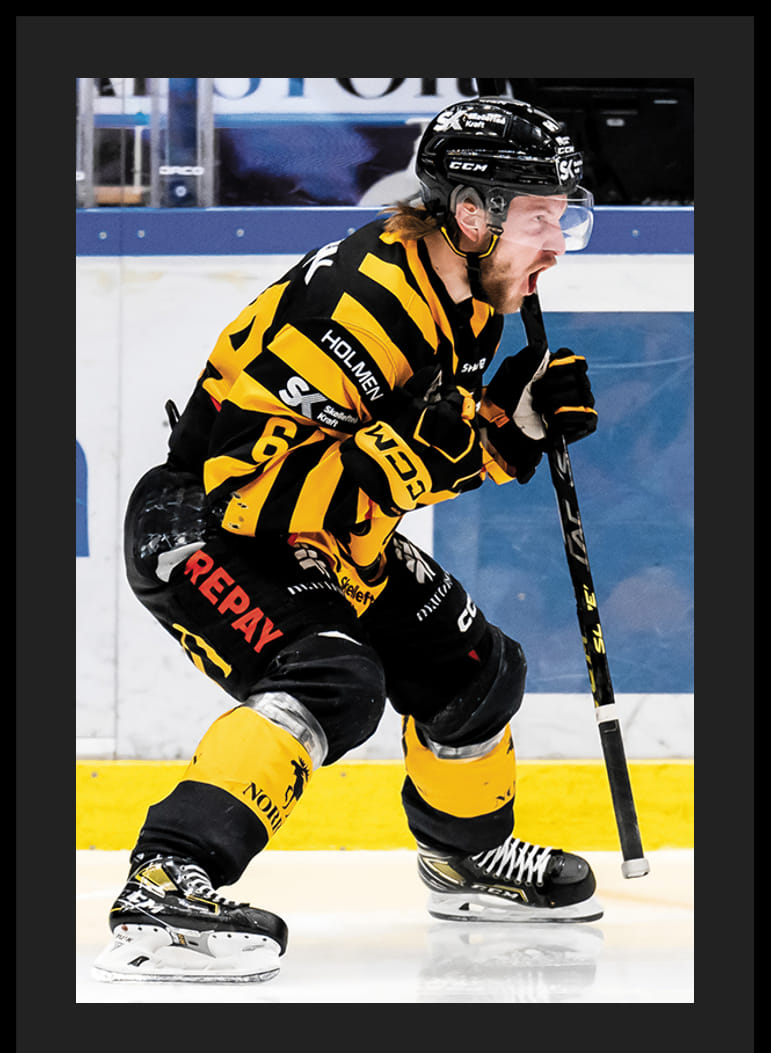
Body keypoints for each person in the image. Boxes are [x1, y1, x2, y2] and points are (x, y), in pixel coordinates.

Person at [93, 94, 601, 985]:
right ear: (471, 214)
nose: (557, 243)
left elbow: (407, 455)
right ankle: (164, 885)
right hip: (206, 526)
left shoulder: (469, 294)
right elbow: (253, 489)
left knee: (474, 672)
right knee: (331, 680)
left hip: (326, 530)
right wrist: (448, 447)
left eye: (566, 218)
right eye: (540, 219)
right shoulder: (359, 305)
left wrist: (505, 428)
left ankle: (464, 860)